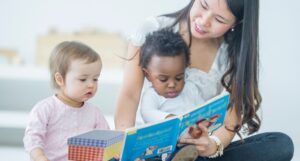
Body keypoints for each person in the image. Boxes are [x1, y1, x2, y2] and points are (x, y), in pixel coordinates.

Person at [115, 0, 294, 160]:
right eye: (203, 5)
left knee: (280, 143)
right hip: (154, 149)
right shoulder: (153, 29)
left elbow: (230, 124)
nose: (204, 21)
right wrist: (126, 151)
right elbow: (130, 95)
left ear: (236, 23)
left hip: (199, 151)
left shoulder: (233, 54)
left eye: (219, 20)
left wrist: (212, 145)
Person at [23, 41, 109, 161]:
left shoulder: (95, 113)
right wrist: (39, 157)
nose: (91, 85)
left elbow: (107, 140)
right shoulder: (45, 109)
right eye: (83, 79)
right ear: (60, 79)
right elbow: (32, 138)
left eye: (95, 79)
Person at [138, 29, 204, 124]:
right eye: (163, 79)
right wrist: (171, 118)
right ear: (148, 75)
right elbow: (147, 112)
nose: (172, 85)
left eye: (179, 78)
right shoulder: (152, 95)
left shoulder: (191, 89)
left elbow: (202, 110)